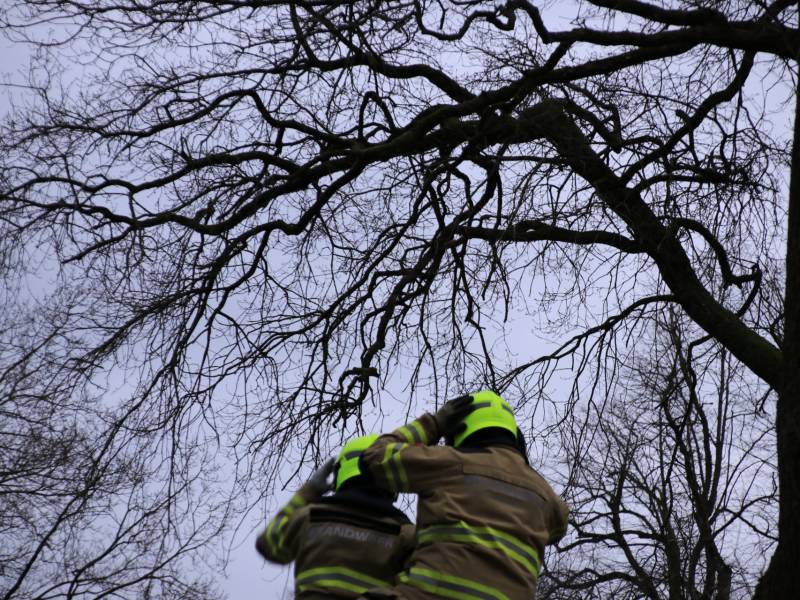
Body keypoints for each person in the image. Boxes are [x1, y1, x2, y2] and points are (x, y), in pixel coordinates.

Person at [358, 390, 569, 600]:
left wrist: (434, 424)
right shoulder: (545, 495)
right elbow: (558, 529)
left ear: (458, 430)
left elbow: (373, 459)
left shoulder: (447, 463)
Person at [256, 434, 416, 599]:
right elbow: (421, 587)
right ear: (394, 474)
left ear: (340, 471)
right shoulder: (407, 535)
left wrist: (308, 492)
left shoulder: (310, 517)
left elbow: (269, 544)